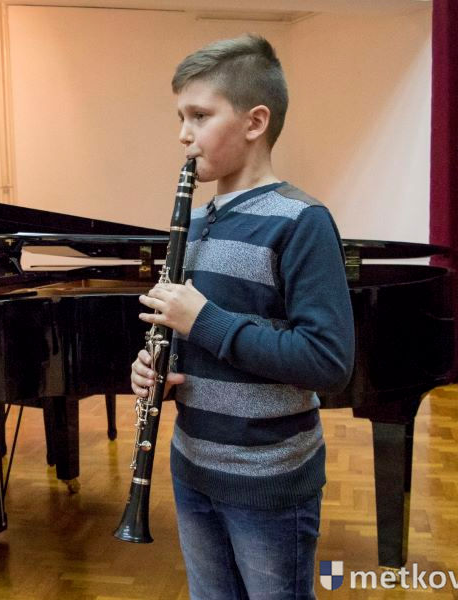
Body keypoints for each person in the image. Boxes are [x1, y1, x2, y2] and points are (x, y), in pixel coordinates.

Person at [130, 35, 355, 600]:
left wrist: (204, 321)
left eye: (200, 116)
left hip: (268, 479)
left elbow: (328, 361)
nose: (183, 134)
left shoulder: (301, 221)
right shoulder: (194, 223)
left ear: (255, 122)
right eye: (180, 117)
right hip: (193, 464)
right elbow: (193, 338)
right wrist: (157, 368)